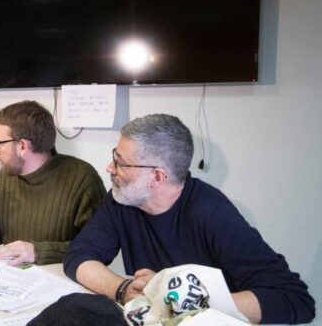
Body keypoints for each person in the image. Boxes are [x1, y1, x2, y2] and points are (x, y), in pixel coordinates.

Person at [63, 114, 315, 324]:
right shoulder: (121, 199)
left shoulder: (213, 213)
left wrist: (179, 296)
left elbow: (296, 300)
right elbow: (79, 256)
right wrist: (124, 289)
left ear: (157, 177)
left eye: (120, 162)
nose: (110, 168)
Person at [0, 100, 106, 266]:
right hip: (15, 279)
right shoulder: (9, 174)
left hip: (63, 283)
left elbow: (99, 249)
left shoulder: (82, 178)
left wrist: (37, 252)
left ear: (22, 146)